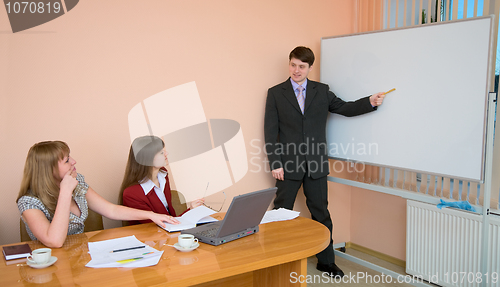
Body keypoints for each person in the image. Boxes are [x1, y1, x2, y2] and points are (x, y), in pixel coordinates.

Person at [264, 46, 385, 277]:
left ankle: (326, 261)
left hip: (316, 164)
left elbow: (345, 108)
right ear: (289, 64)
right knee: (280, 213)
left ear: (310, 68)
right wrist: (275, 162)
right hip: (287, 165)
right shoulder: (276, 93)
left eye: (301, 66)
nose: (296, 70)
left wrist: (369, 101)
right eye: (293, 65)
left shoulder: (322, 91)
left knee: (321, 214)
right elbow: (270, 131)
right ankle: (277, 259)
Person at [16, 141, 180, 248]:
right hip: (51, 264)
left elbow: (111, 210)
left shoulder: (77, 182)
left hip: (82, 256)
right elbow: (55, 241)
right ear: (48, 170)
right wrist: (65, 191)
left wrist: (152, 215)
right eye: (66, 160)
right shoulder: (29, 202)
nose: (74, 161)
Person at [119, 135, 204, 225]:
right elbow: (159, 226)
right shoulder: (132, 193)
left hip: (168, 231)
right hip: (151, 236)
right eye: (161, 152)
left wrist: (191, 210)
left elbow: (169, 218)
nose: (166, 153)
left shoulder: (163, 174)